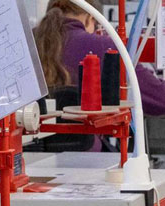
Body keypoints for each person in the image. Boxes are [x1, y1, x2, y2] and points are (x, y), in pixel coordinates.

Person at [32, 0, 165, 151]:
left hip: (28, 155)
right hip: (88, 160)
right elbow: (159, 99)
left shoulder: (28, 42)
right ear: (90, 18)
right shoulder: (104, 46)